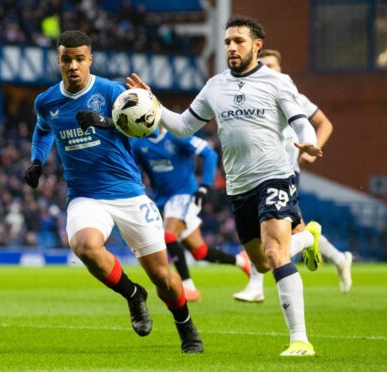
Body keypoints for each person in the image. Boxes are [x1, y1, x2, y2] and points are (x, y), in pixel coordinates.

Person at [125, 16, 323, 357]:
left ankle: (300, 340)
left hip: (275, 175)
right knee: (262, 262)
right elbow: (185, 126)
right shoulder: (215, 85)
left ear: (256, 45)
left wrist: (308, 141)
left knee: (276, 253)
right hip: (239, 187)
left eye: (239, 41)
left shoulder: (277, 82)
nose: (231, 47)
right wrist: (153, 105)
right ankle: (308, 237)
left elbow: (301, 121)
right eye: (228, 42)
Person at [24, 30, 202, 353]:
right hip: (85, 195)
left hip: (128, 193)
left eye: (80, 59)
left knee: (163, 277)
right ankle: (134, 295)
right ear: (58, 61)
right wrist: (37, 161)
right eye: (67, 59)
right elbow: (42, 128)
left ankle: (186, 326)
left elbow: (145, 129)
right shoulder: (46, 101)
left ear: (90, 59)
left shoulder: (111, 91)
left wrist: (104, 121)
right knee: (85, 247)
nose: (74, 66)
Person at [232, 49, 353, 303]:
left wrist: (312, 150)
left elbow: (325, 123)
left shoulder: (293, 95)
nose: (267, 69)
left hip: (283, 172)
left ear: (281, 69)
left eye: (272, 65)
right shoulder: (251, 95)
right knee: (297, 231)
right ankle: (340, 258)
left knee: (268, 230)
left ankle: (256, 285)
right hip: (259, 173)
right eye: (262, 64)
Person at [131, 128, 251, 301]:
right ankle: (241, 261)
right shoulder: (138, 143)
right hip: (163, 200)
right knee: (200, 252)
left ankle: (187, 287)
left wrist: (205, 185)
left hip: (186, 194)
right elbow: (134, 168)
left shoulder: (177, 136)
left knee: (169, 236)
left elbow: (209, 154)